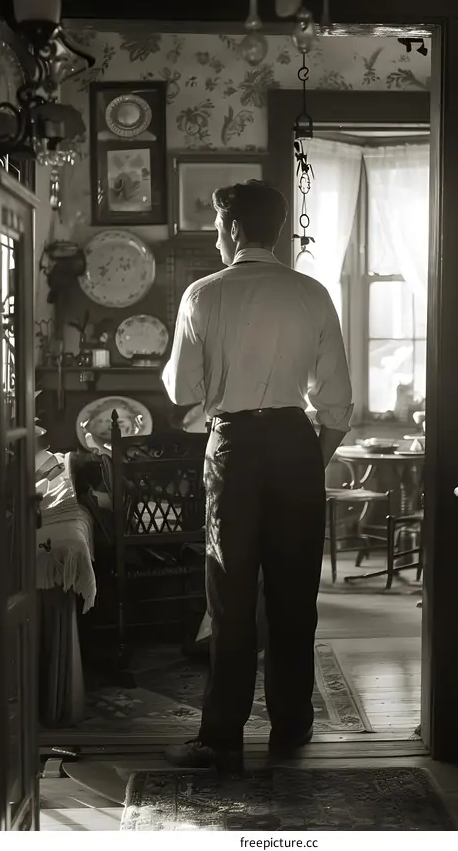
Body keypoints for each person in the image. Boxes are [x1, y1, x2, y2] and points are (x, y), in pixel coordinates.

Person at [162, 179, 353, 773]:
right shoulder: (313, 293)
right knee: (296, 595)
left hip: (235, 447)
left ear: (235, 229)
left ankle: (221, 738)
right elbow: (338, 405)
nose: (217, 239)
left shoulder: (203, 294)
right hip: (298, 444)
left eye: (219, 228)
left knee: (231, 596)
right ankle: (292, 727)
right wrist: (305, 463)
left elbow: (180, 390)